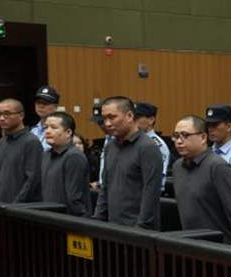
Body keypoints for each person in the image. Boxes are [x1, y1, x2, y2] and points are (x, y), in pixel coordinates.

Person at [169, 115, 231, 247]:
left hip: (219, 249)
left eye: (185, 135)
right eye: (176, 136)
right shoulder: (177, 167)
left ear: (203, 137)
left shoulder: (218, 167)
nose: (179, 141)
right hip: (189, 245)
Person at [93, 96, 165, 229]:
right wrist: (97, 220)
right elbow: (105, 187)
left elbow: (151, 192)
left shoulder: (147, 147)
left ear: (130, 116)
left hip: (138, 229)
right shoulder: (110, 146)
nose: (107, 123)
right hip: (113, 226)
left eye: (112, 117)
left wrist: (140, 228)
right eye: (105, 118)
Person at [0, 98, 43, 203]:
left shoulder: (31, 141)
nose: (1, 118)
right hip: (0, 204)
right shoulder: (2, 142)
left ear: (21, 115)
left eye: (6, 114)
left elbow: (32, 179)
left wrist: (17, 205)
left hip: (19, 208)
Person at [40, 112, 91, 217]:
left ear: (68, 132)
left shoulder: (74, 157)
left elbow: (75, 198)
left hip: (69, 221)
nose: (48, 131)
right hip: (49, 218)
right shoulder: (46, 155)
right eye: (46, 127)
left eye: (54, 128)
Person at [134, 102, 172, 191]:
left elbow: (157, 179)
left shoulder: (158, 145)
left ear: (151, 120)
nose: (133, 121)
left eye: (138, 117)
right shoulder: (131, 141)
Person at [29, 86, 59, 151]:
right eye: (38, 102)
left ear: (55, 107)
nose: (41, 106)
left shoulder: (60, 130)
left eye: (45, 103)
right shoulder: (33, 130)